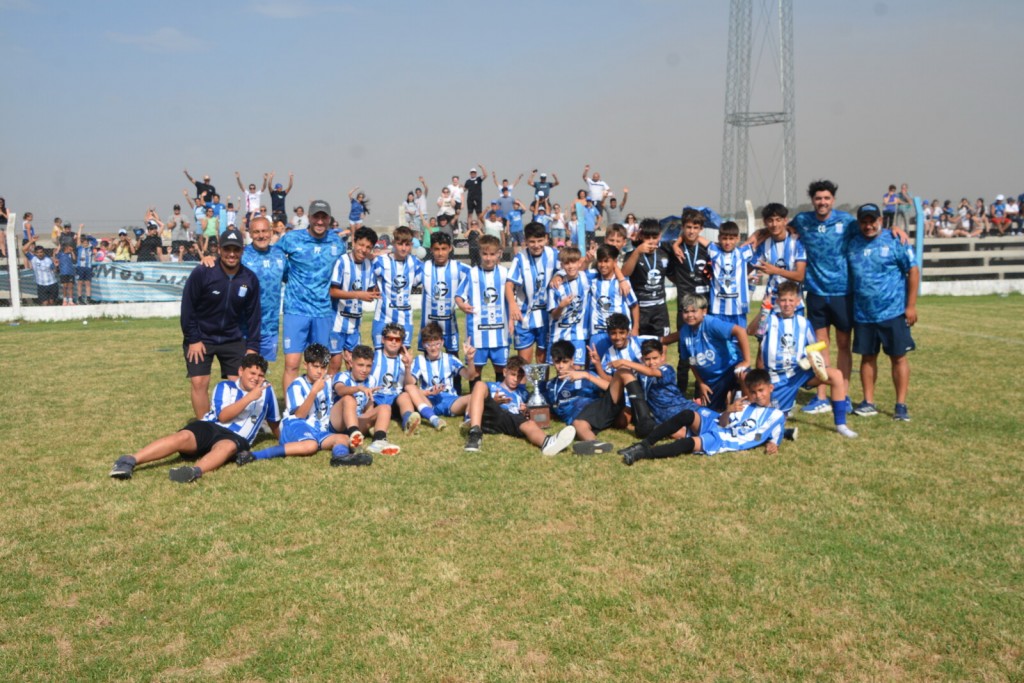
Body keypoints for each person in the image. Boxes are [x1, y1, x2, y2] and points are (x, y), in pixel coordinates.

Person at [109, 353, 280, 483]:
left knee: (227, 447)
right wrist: (250, 397)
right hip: (211, 427)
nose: (256, 379)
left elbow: (273, 421)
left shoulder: (267, 392)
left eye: (260, 375)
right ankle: (129, 460)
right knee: (182, 437)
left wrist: (284, 439)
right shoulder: (225, 387)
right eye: (252, 373)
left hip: (237, 438)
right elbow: (223, 415)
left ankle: (193, 472)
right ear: (241, 371)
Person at [785, 180, 857, 414]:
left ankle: (843, 395)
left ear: (833, 200)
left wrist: (894, 230)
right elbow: (778, 228)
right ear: (812, 200)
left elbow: (871, 231)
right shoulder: (803, 221)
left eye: (826, 198)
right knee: (819, 346)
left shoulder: (846, 221)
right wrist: (756, 237)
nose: (822, 202)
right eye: (818, 198)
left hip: (842, 293)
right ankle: (822, 396)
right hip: (815, 292)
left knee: (844, 345)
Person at [618, 369, 787, 465]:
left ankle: (643, 454)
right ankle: (642, 444)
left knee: (687, 443)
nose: (757, 395)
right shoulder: (745, 404)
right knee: (687, 415)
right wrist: (728, 410)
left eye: (761, 391)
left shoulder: (777, 415)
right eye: (753, 392)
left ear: (770, 388)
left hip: (725, 439)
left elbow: (775, 437)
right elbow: (722, 422)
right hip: (716, 424)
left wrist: (773, 445)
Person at [236, 344, 366, 468]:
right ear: (305, 365)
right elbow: (299, 415)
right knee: (311, 446)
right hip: (295, 425)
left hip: (320, 429)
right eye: (315, 366)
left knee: (342, 438)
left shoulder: (328, 381)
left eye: (323, 367)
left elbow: (340, 391)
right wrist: (313, 392)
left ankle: (341, 457)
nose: (319, 372)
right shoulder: (297, 385)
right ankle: (254, 455)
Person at [846, 203, 919, 422]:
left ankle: (901, 405)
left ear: (880, 220)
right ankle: (868, 402)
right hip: (863, 313)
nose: (868, 226)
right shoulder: (852, 242)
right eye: (864, 221)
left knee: (898, 358)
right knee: (867, 358)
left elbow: (913, 271)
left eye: (872, 220)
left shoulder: (896, 240)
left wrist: (911, 306)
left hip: (893, 312)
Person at [180, 228, 262, 420]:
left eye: (236, 249)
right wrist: (193, 339)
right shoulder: (203, 272)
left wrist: (252, 347)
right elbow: (187, 308)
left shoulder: (249, 279)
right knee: (199, 382)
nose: (231, 254)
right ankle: (205, 426)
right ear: (219, 249)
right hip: (201, 338)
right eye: (227, 249)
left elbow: (254, 316)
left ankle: (239, 425)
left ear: (242, 250)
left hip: (232, 338)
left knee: (242, 383)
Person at [761, 280, 857, 438]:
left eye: (791, 300)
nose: (786, 304)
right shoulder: (770, 320)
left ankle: (841, 425)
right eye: (783, 300)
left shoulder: (804, 323)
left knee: (836, 376)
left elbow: (814, 346)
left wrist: (813, 360)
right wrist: (764, 311)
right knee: (771, 422)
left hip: (800, 372)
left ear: (798, 302)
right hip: (779, 379)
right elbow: (752, 331)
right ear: (778, 301)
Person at [276, 200, 345, 390]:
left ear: (329, 219)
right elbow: (274, 259)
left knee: (319, 365)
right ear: (309, 217)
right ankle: (291, 410)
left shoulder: (336, 243)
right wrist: (287, 277)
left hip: (323, 311)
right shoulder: (291, 239)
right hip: (295, 309)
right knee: (292, 364)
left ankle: (317, 408)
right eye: (316, 216)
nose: (320, 221)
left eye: (324, 217)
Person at [461, 356, 577, 456]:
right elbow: (473, 399)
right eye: (513, 374)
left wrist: (527, 410)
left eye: (520, 376)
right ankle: (475, 432)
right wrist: (494, 401)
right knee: (479, 385)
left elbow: (533, 413)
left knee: (529, 424)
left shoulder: (523, 393)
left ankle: (547, 442)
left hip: (510, 420)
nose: (516, 379)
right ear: (505, 372)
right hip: (489, 416)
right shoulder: (491, 386)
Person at [672, 293, 751, 412]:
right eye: (686, 312)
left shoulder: (711, 323)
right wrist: (701, 383)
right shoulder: (684, 333)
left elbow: (740, 331)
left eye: (694, 311)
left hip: (730, 369)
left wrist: (746, 361)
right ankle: (729, 400)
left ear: (704, 311)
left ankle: (751, 408)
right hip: (712, 381)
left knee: (745, 376)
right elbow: (692, 361)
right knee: (711, 415)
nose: (689, 315)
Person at [456, 234, 510, 381]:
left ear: (499, 253)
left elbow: (513, 296)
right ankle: (476, 401)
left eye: (492, 254)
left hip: (500, 333)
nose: (488, 258)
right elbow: (459, 295)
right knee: (476, 370)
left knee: (501, 369)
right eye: (485, 254)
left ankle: (500, 401)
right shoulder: (472, 273)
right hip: (478, 333)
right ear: (479, 253)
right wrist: (461, 304)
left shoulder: (505, 273)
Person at [539, 340, 609, 454]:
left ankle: (594, 444)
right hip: (577, 421)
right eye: (557, 362)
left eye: (565, 361)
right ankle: (592, 444)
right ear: (552, 360)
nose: (561, 366)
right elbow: (548, 408)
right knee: (577, 424)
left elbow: (610, 389)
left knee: (578, 424)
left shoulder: (585, 375)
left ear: (572, 360)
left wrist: (587, 376)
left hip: (594, 412)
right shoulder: (550, 385)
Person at [330, 344, 398, 457]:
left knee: (385, 407)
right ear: (351, 363)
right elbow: (340, 390)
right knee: (348, 399)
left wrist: (371, 420)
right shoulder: (342, 376)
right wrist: (358, 388)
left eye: (368, 366)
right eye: (360, 365)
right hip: (338, 423)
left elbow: (368, 408)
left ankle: (379, 441)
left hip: (356, 423)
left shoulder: (371, 380)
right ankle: (354, 438)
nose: (364, 370)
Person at [407, 322, 477, 429]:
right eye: (429, 345)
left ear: (442, 342)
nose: (433, 348)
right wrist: (407, 367)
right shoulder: (419, 361)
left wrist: (470, 360)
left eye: (437, 344)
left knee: (474, 396)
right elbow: (409, 383)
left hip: (450, 401)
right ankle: (434, 419)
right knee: (409, 387)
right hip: (428, 401)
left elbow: (470, 376)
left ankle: (468, 421)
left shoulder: (450, 359)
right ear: (423, 345)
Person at [327, 226, 379, 371]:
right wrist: (358, 294)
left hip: (354, 325)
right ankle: (331, 393)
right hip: (336, 324)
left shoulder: (369, 265)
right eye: (361, 245)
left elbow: (369, 291)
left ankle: (350, 394)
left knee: (355, 366)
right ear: (354, 242)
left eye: (368, 247)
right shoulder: (342, 262)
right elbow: (332, 291)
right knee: (335, 364)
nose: (364, 249)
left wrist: (374, 293)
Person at [507, 222, 559, 364]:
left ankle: (540, 387)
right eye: (532, 241)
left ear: (546, 239)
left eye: (539, 241)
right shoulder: (520, 258)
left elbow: (568, 268)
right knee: (524, 360)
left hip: (546, 315)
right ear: (525, 241)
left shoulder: (554, 254)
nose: (536, 245)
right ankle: (522, 387)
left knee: (543, 358)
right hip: (525, 316)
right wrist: (512, 304)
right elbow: (509, 283)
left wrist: (558, 275)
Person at [241, 216, 288, 363]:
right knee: (243, 373)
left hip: (270, 328)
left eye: (264, 231)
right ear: (250, 233)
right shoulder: (241, 255)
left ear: (271, 231)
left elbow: (290, 279)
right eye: (256, 232)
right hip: (244, 329)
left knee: (261, 373)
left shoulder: (279, 255)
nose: (261, 235)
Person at [371, 225, 423, 349]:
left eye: (407, 244)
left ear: (411, 245)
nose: (404, 248)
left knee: (403, 355)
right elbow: (367, 272)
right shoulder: (381, 261)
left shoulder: (415, 263)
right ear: (394, 243)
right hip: (383, 316)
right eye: (400, 244)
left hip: (404, 317)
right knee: (380, 354)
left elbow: (430, 274)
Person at [419, 231, 469, 355]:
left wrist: (462, 298)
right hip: (428, 326)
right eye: (436, 249)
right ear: (431, 249)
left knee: (453, 360)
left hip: (449, 325)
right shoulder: (424, 267)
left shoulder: (458, 267)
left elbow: (476, 275)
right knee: (429, 361)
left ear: (450, 248)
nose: (440, 253)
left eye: (443, 249)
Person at [622, 219, 672, 338]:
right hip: (640, 309)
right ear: (640, 236)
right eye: (647, 237)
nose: (650, 241)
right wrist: (637, 252)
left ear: (659, 236)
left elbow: (672, 274)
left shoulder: (664, 253)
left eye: (654, 237)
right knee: (639, 348)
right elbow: (624, 273)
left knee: (662, 346)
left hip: (660, 309)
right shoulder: (632, 254)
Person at [548, 245, 592, 368]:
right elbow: (554, 315)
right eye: (566, 263)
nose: (570, 266)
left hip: (578, 336)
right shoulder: (555, 286)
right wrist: (561, 306)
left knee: (576, 369)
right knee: (561, 368)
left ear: (579, 263)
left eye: (573, 262)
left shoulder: (586, 278)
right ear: (562, 266)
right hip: (559, 334)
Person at [22, 238, 58, 305]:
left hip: (52, 284)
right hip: (41, 285)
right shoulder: (33, 259)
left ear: (43, 252)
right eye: (38, 253)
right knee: (45, 303)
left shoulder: (48, 260)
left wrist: (56, 266)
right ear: (35, 253)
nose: (40, 254)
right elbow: (23, 249)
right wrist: (32, 241)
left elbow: (54, 270)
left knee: (52, 303)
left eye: (41, 252)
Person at [74, 225, 94, 305]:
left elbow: (94, 241)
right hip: (80, 267)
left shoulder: (90, 248)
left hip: (88, 267)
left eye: (87, 243)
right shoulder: (79, 248)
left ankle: (88, 298)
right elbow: (78, 238)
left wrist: (89, 236)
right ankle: (79, 298)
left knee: (88, 283)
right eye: (84, 243)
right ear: (82, 243)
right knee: (80, 283)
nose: (85, 244)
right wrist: (80, 228)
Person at [55, 242, 76, 306]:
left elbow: (74, 259)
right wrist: (58, 247)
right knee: (65, 287)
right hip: (63, 273)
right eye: (69, 248)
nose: (71, 249)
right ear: (66, 248)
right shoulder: (61, 254)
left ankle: (71, 300)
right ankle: (64, 300)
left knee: (71, 287)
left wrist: (72, 252)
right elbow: (56, 255)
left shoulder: (70, 254)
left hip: (71, 272)